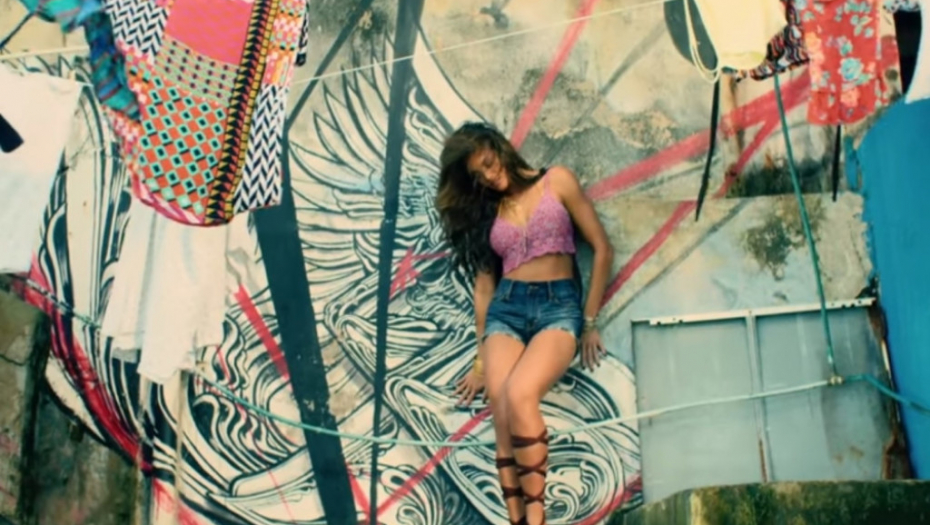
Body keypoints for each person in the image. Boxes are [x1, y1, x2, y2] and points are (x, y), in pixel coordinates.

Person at [435, 122, 613, 525]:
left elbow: (602, 248)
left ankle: (536, 518)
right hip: (507, 309)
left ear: (499, 147)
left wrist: (590, 322)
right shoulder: (488, 212)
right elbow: (485, 289)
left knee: (519, 395)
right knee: (500, 409)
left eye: (488, 162)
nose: (488, 175)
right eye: (478, 175)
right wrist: (480, 361)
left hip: (558, 308)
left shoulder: (557, 181)